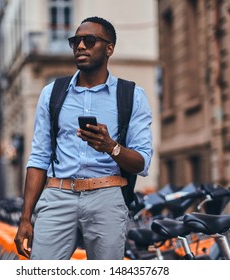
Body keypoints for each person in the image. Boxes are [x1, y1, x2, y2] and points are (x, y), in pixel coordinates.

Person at [14, 16, 153, 260]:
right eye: (75, 41)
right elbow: (38, 157)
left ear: (109, 48)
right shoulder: (52, 93)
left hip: (107, 197)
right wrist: (25, 218)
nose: (80, 46)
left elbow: (141, 162)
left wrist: (111, 147)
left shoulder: (131, 96)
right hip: (58, 195)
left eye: (89, 40)